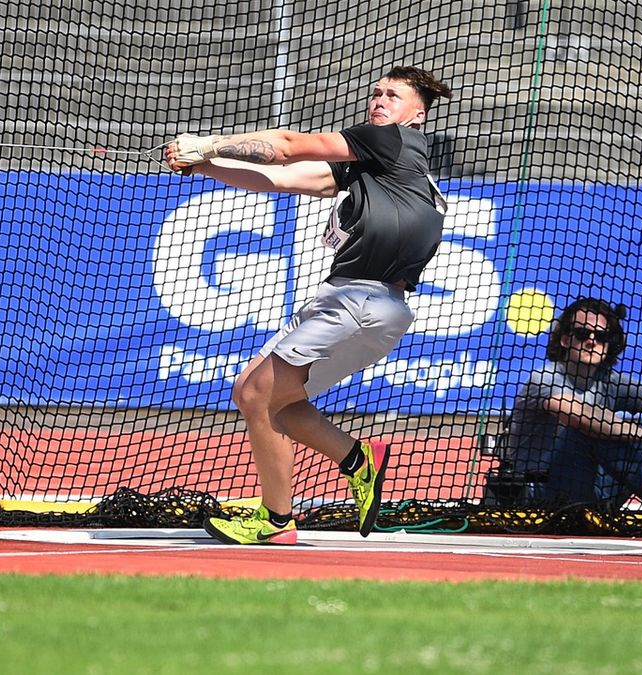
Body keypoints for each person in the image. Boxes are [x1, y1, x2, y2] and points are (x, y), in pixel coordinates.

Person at [164, 66, 453, 544]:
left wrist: (209, 144)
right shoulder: (375, 166)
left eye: (393, 96)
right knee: (267, 399)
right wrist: (204, 167)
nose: (379, 101)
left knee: (257, 394)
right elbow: (281, 178)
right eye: (376, 93)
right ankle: (358, 459)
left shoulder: (392, 140)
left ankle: (276, 521)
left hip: (359, 299)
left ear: (417, 114)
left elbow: (288, 144)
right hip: (372, 307)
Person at [502, 297, 642, 515]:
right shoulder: (544, 378)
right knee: (594, 428)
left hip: (596, 488)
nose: (592, 341)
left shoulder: (609, 381)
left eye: (601, 336)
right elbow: (583, 418)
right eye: (582, 334)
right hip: (545, 491)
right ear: (565, 340)